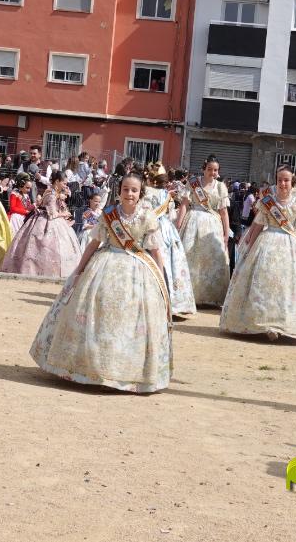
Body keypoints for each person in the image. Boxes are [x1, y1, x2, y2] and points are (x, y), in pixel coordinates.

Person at [29, 171, 171, 393]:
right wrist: (79, 269)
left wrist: (160, 279)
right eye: (125, 189)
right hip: (104, 266)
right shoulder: (109, 215)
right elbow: (93, 244)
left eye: (134, 190)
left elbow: (156, 251)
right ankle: (87, 368)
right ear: (119, 191)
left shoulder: (148, 217)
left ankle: (123, 372)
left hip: (137, 272)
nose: (129, 194)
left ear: (140, 193)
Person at [221, 167, 296, 341]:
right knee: (263, 283)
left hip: (292, 248)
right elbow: (259, 224)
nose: (282, 183)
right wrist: (249, 248)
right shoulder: (268, 200)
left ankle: (283, 323)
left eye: (286, 180)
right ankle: (263, 323)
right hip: (266, 244)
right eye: (279, 180)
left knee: (288, 286)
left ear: (292, 182)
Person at [0, 170, 80, 277]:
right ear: (57, 181)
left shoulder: (53, 192)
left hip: (47, 219)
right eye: (64, 183)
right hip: (47, 221)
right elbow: (52, 214)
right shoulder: (51, 194)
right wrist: (64, 214)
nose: (66, 185)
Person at [142, 163, 196, 318]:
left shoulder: (145, 192)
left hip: (149, 227)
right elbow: (170, 214)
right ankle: (174, 302)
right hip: (166, 228)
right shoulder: (167, 195)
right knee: (171, 261)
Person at [177, 157, 230, 307]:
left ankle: (210, 297)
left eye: (215, 170)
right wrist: (179, 223)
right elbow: (184, 205)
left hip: (213, 225)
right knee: (190, 256)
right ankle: (188, 295)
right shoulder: (193, 183)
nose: (212, 172)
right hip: (192, 222)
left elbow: (224, 212)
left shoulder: (221, 187)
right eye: (209, 169)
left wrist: (226, 233)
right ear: (203, 169)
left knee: (212, 260)